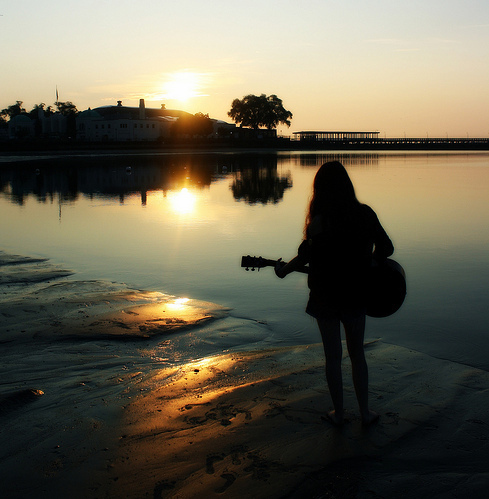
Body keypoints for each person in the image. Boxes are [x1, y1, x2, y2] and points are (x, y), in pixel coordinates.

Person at [275, 161, 393, 426]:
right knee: (357, 354)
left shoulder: (319, 222)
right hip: (355, 294)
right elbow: (387, 248)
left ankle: (339, 414)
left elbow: (304, 257)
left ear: (321, 191)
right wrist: (370, 261)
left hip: (325, 296)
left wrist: (283, 271)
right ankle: (364, 413)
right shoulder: (365, 214)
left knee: (333, 358)